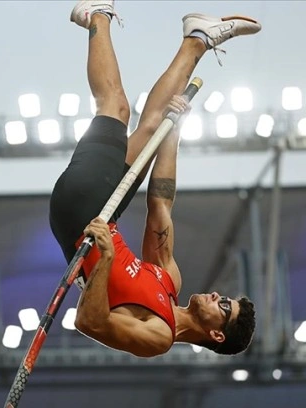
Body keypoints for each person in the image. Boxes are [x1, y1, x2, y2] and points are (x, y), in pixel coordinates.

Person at [48, 0, 260, 357]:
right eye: (225, 298)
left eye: (224, 307)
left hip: (83, 219)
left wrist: (105, 256)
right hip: (103, 213)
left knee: (114, 106)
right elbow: (160, 202)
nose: (215, 296)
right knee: (152, 125)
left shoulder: (157, 337)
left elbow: (89, 322)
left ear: (216, 335)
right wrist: (172, 132)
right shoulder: (168, 280)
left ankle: (95, 14)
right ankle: (196, 39)